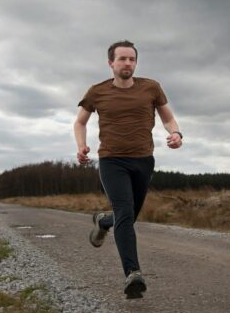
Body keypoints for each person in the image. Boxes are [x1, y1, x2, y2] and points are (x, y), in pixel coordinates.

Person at [74, 40, 183, 299]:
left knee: (129, 216)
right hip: (112, 160)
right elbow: (80, 122)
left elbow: (168, 117)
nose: (127, 63)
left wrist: (176, 133)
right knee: (125, 212)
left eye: (131, 59)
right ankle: (132, 274)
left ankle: (103, 221)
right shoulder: (97, 92)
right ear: (111, 63)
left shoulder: (151, 87)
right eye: (122, 59)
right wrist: (81, 146)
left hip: (143, 160)